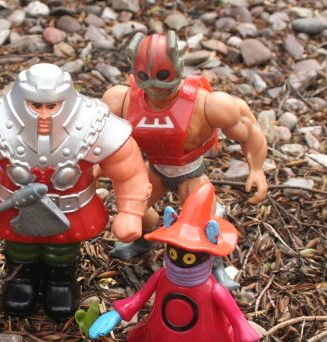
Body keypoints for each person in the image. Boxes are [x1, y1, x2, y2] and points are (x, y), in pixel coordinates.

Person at [0, 63, 152, 321]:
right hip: (13, 207)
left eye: (52, 106)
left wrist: (130, 211)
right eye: (36, 105)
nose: (43, 115)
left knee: (62, 249)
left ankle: (61, 282)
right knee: (20, 246)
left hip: (71, 208)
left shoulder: (94, 123)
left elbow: (128, 171)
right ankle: (20, 280)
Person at [103, 31, 268, 290]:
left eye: (163, 77)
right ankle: (142, 242)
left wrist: (256, 168)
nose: (154, 87)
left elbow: (249, 129)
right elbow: (99, 134)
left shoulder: (207, 104)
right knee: (133, 211)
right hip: (153, 169)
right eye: (145, 78)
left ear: (177, 68)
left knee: (203, 223)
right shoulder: (122, 99)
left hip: (190, 172)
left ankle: (215, 267)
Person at [89, 182, 262, 342]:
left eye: (189, 258)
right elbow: (140, 297)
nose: (178, 261)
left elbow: (235, 316)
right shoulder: (163, 276)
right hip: (164, 334)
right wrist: (117, 313)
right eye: (172, 252)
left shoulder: (213, 289)